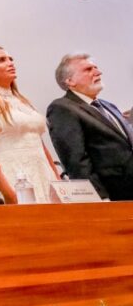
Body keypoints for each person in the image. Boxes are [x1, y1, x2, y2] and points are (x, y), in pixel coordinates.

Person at [0, 45, 60, 203]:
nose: (10, 63)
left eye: (11, 59)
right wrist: (9, 193)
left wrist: (57, 180)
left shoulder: (22, 101)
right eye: (1, 60)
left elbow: (39, 144)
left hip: (43, 174)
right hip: (12, 177)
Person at [46, 54, 133, 201]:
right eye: (88, 69)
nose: (98, 72)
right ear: (70, 81)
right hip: (110, 197)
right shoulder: (62, 108)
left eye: (96, 68)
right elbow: (76, 161)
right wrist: (100, 198)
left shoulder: (109, 106)